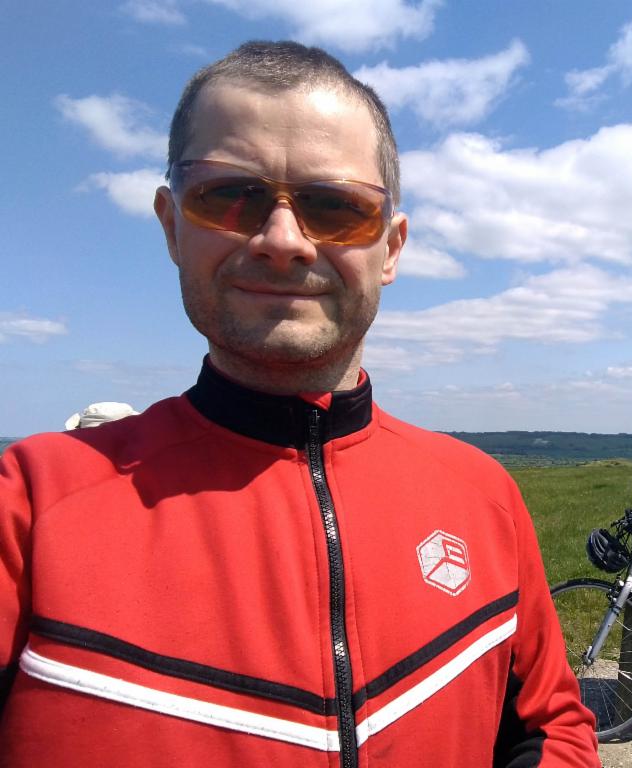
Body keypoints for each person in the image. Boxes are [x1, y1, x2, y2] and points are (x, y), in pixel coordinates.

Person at [0, 41, 599, 767]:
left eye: (334, 208)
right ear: (171, 225)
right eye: (229, 195)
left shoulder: (483, 496)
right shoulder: (30, 508)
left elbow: (552, 726)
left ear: (391, 248)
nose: (283, 240)